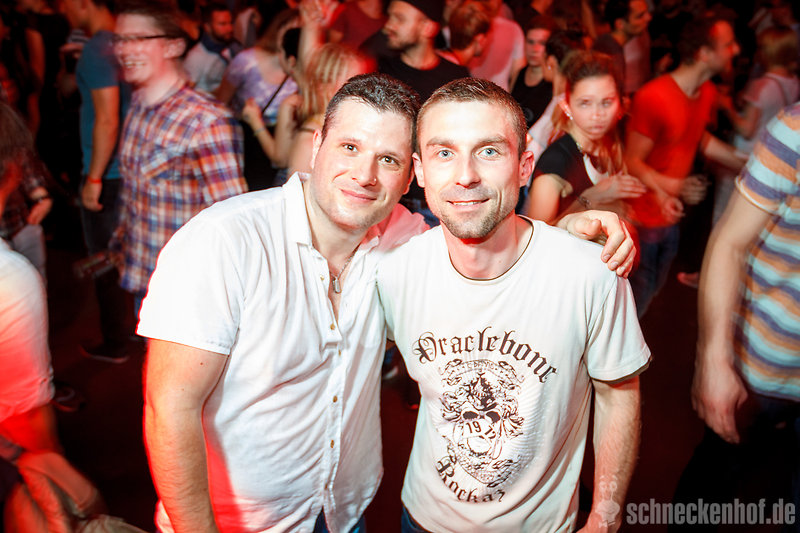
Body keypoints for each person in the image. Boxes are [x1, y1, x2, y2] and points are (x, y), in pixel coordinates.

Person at [139, 72, 637, 533]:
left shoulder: (400, 243)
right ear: (317, 145)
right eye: (350, 147)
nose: (364, 175)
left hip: (341, 511)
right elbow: (170, 408)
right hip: (238, 523)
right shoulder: (224, 241)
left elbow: (483, 231)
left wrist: (565, 232)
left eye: (389, 159)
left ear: (408, 176)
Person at [377, 77, 649, 533]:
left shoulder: (592, 273)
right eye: (444, 153)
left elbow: (617, 394)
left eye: (488, 151)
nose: (465, 175)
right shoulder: (393, 275)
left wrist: (604, 516)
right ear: (420, 171)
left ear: (525, 167)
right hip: (422, 519)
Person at [685, 102, 800, 529]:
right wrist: (713, 360)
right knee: (712, 488)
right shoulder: (794, 129)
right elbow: (729, 242)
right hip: (762, 366)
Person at [111, 0, 246, 317]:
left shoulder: (206, 120)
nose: (124, 50)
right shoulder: (139, 103)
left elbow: (233, 223)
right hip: (141, 275)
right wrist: (120, 244)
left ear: (174, 46)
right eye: (120, 40)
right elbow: (134, 193)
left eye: (138, 39)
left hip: (185, 291)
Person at [625, 16, 747, 317]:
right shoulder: (654, 96)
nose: (736, 50)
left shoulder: (706, 92)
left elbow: (697, 136)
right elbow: (631, 161)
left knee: (653, 291)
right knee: (634, 301)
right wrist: (676, 186)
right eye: (728, 44)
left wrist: (752, 163)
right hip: (642, 219)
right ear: (703, 53)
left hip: (671, 215)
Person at [59, 0, 134, 361]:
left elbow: (107, 119)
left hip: (109, 172)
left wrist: (93, 177)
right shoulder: (127, 41)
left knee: (105, 259)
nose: (64, 11)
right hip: (132, 167)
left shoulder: (96, 48)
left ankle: (116, 341)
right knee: (130, 255)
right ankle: (137, 331)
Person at [524, 50, 645, 225]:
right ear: (566, 106)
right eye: (585, 103)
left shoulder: (610, 144)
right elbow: (536, 235)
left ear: (621, 104)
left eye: (606, 102)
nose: (597, 114)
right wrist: (590, 199)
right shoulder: (556, 162)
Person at [241, 42, 373, 176]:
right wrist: (255, 121)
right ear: (325, 85)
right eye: (354, 83)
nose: (364, 90)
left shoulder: (349, 124)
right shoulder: (309, 137)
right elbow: (282, 161)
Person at [591, 0, 651, 93]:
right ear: (620, 24)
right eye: (640, 16)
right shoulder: (611, 52)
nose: (648, 18)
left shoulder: (609, 43)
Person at [467, 0, 526, 91]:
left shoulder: (468, 25)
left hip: (470, 91)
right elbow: (518, 71)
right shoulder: (513, 29)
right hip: (497, 94)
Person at [509, 15, 555, 128]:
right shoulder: (519, 74)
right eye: (530, 42)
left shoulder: (554, 82)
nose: (535, 49)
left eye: (542, 43)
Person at [183, 2, 237, 95]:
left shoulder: (229, 46)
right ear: (207, 27)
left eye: (230, 23)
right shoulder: (195, 57)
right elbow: (187, 95)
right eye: (223, 24)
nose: (230, 28)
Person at [436, 0, 490, 67]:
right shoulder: (456, 70)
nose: (487, 41)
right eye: (486, 36)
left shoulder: (437, 58)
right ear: (480, 39)